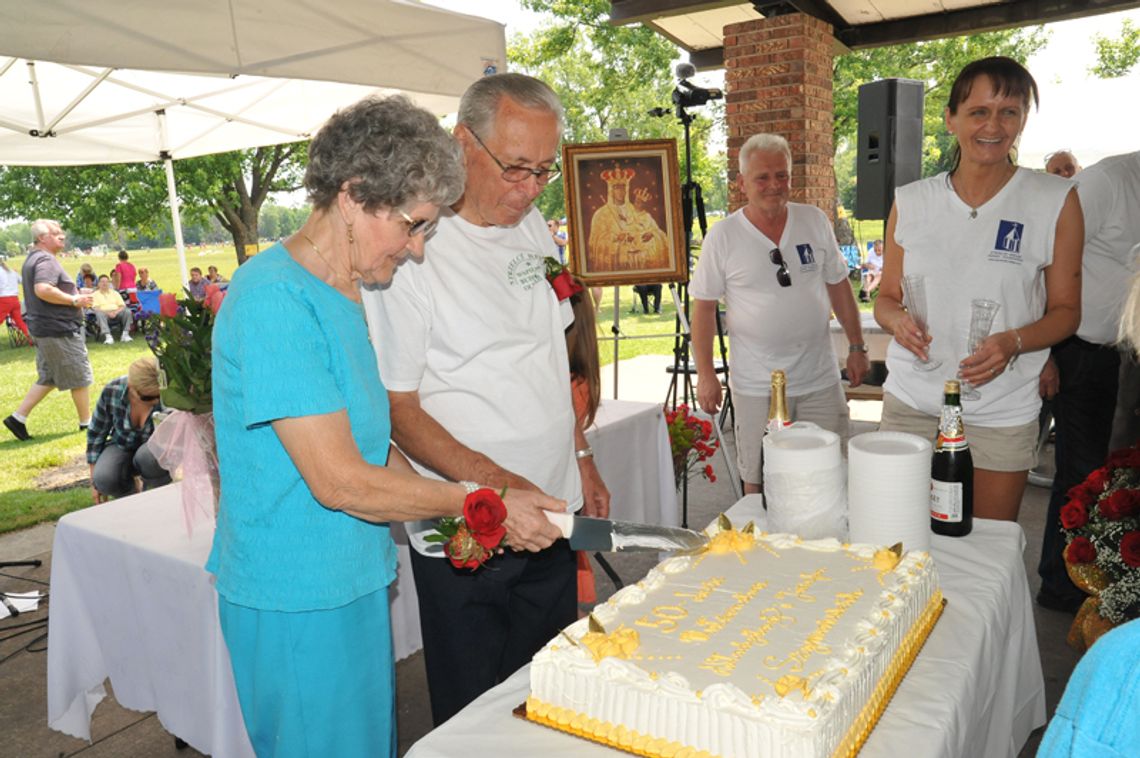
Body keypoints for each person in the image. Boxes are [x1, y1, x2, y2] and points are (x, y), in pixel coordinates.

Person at [207, 94, 565, 758]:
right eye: (413, 225)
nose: (419, 248)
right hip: (296, 599)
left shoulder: (344, 292)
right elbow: (339, 481)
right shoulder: (274, 301)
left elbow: (375, 448)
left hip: (353, 580)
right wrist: (472, 498)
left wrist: (460, 524)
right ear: (353, 196)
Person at [362, 73, 611, 726]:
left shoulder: (533, 232)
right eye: (516, 169)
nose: (529, 190)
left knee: (547, 696)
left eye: (543, 172)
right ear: (462, 142)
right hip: (467, 529)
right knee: (475, 718)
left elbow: (552, 351)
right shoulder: (412, 249)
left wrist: (580, 456)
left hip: (551, 515)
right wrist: (503, 490)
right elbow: (399, 409)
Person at [874, 56, 1083, 522]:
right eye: (978, 111)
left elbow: (1067, 311)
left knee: (986, 547)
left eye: (1009, 112)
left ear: (1022, 120)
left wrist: (1014, 342)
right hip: (913, 400)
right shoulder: (911, 201)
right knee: (898, 535)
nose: (993, 125)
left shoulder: (1055, 200)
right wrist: (897, 321)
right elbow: (885, 297)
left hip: (1001, 408)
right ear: (951, 119)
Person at [690, 133, 869, 495]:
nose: (774, 185)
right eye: (762, 178)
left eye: (782, 175)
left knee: (829, 473)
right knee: (759, 479)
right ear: (741, 184)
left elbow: (838, 285)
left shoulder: (814, 221)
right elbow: (704, 308)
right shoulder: (723, 237)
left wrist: (856, 345)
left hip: (819, 379)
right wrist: (707, 375)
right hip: (757, 386)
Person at [1036, 150, 1140, 612]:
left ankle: (1089, 583)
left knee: (1104, 472)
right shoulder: (1108, 181)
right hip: (1073, 348)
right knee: (1079, 473)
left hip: (1118, 352)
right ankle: (1061, 587)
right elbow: (1041, 260)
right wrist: (1043, 353)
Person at [4, 219, 95, 441]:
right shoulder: (45, 259)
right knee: (80, 376)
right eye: (56, 233)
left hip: (45, 327)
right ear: (43, 238)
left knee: (49, 377)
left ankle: (18, 418)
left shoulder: (34, 258)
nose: (62, 235)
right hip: (57, 329)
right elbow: (43, 289)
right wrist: (74, 299)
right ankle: (87, 424)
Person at [87, 356, 171, 502]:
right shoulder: (112, 390)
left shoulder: (169, 396)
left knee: (148, 456)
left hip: (153, 453)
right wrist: (94, 481)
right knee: (104, 479)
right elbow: (96, 434)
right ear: (131, 387)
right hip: (121, 445)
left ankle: (159, 497)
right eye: (147, 398)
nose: (156, 401)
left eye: (159, 396)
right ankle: (131, 499)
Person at [588, 168, 670, 272]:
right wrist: (617, 237)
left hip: (642, 259)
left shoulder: (635, 209)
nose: (621, 191)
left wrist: (652, 234)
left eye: (623, 187)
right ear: (611, 190)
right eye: (617, 188)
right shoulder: (601, 214)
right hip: (620, 260)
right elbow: (596, 241)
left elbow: (656, 231)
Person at [91, 274, 133, 344]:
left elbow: (122, 306)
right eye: (102, 282)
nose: (104, 283)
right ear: (98, 284)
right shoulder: (94, 294)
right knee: (99, 314)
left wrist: (115, 312)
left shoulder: (115, 293)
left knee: (127, 311)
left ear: (109, 283)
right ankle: (108, 337)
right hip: (104, 314)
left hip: (117, 313)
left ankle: (125, 335)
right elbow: (95, 308)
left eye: (106, 282)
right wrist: (108, 313)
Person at [0, 254, 31, 343]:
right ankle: (30, 337)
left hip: (4, 299)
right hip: (15, 300)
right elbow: (22, 280)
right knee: (19, 321)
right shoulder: (11, 271)